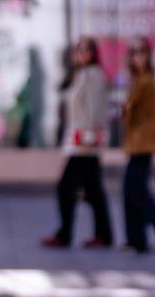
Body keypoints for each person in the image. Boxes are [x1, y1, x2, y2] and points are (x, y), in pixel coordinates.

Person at [42, 36, 114, 248]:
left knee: (66, 187)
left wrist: (90, 137)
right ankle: (103, 235)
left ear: (93, 53)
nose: (81, 54)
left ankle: (66, 234)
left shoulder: (94, 75)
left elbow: (95, 109)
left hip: (84, 143)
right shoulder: (79, 75)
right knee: (93, 190)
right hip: (79, 141)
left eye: (86, 50)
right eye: (78, 50)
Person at [121, 38, 155, 253]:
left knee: (136, 190)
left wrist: (127, 109)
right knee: (132, 191)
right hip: (137, 142)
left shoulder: (146, 82)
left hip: (143, 143)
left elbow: (135, 113)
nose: (138, 57)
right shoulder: (137, 81)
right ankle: (137, 240)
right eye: (134, 52)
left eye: (142, 52)